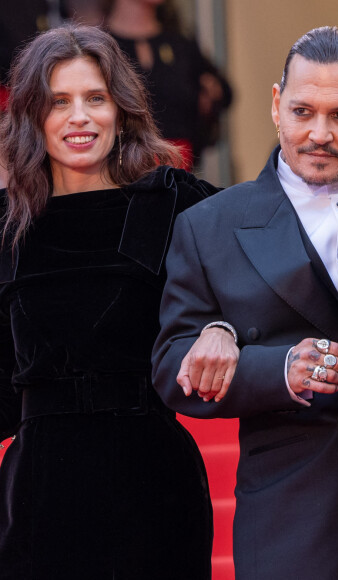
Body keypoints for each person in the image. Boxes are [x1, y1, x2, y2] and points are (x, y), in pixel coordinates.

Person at [152, 26, 338, 580]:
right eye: (303, 111)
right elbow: (172, 368)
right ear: (275, 105)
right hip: (288, 509)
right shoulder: (208, 225)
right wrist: (279, 368)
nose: (318, 134)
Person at [0, 25, 218, 580]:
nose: (80, 117)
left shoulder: (170, 202)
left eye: (95, 98)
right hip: (39, 497)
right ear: (32, 116)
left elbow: (267, 257)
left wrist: (225, 328)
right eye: (58, 102)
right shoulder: (7, 226)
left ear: (120, 110)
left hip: (153, 484)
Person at [106, 0, 233, 168]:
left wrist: (209, 96)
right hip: (122, 170)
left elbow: (224, 93)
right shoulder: (100, 46)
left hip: (179, 172)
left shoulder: (180, 44)